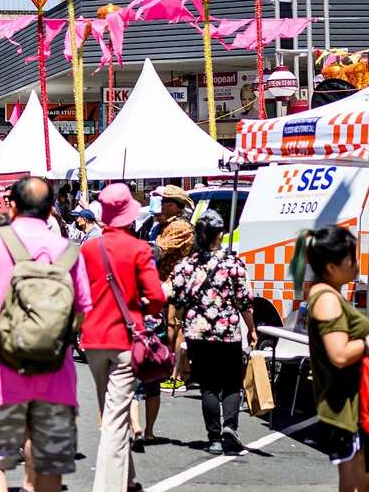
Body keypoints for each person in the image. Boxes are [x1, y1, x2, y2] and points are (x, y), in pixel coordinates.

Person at [0, 177, 92, 492]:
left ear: (12, 206)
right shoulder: (69, 251)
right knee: (46, 462)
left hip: (2, 371)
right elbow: (81, 313)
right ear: (50, 211)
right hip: (56, 372)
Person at [78, 183, 167, 492]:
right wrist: (142, 304)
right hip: (126, 340)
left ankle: (125, 479)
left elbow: (80, 291)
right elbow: (156, 298)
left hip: (92, 339)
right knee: (116, 421)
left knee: (111, 411)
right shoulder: (139, 249)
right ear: (129, 216)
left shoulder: (88, 248)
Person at [291, 224, 369, 490]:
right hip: (348, 410)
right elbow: (339, 355)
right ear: (331, 267)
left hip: (350, 407)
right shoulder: (327, 299)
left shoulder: (324, 294)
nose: (357, 263)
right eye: (351, 257)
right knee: (357, 485)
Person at [169, 209, 256, 456]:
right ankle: (230, 427)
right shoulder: (233, 263)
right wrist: (252, 329)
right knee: (231, 383)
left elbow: (176, 298)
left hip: (197, 332)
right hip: (227, 331)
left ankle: (214, 438)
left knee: (207, 386)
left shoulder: (185, 265)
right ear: (220, 235)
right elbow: (244, 301)